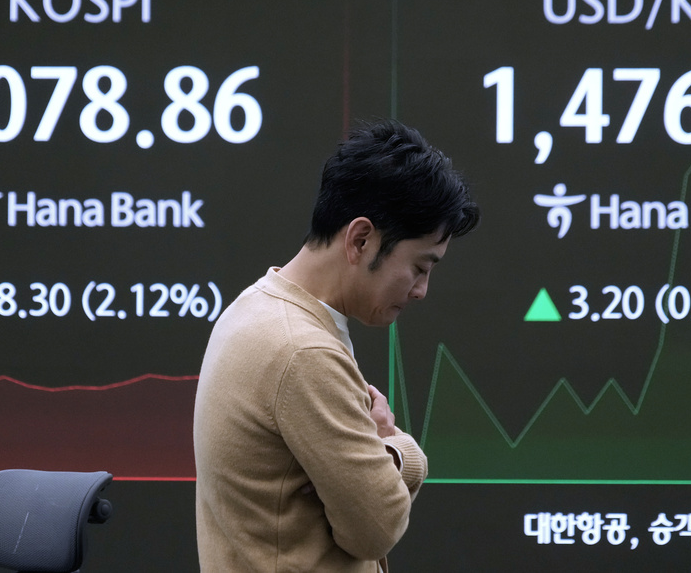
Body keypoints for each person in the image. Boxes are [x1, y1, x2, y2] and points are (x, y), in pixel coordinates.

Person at [193, 121, 480, 572]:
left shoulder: (255, 308)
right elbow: (376, 527)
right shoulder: (302, 352)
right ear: (361, 239)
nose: (422, 289)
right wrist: (398, 449)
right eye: (421, 266)